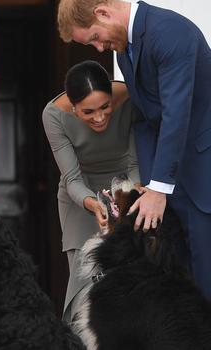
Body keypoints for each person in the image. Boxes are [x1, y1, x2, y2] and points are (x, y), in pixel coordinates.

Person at [57, 0, 211, 312]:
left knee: (205, 295)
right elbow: (147, 120)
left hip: (210, 175)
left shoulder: (171, 32)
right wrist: (148, 185)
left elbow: (176, 114)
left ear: (103, 12)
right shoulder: (125, 48)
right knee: (172, 291)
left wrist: (159, 188)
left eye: (94, 37)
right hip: (170, 181)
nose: (98, 47)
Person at [42, 60, 140, 325]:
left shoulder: (130, 96)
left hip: (127, 187)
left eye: (105, 107)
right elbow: (71, 178)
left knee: (129, 277)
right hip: (81, 197)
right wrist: (94, 204)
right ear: (73, 109)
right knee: (85, 282)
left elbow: (134, 164)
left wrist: (128, 199)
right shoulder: (53, 115)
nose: (99, 117)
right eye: (88, 112)